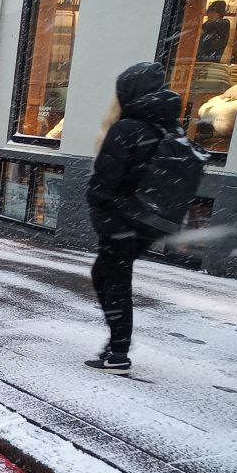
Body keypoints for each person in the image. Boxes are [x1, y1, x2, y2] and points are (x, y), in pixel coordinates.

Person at [85, 62, 183, 374]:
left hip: (121, 220)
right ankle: (117, 344)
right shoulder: (169, 127)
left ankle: (118, 353)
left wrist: (97, 201)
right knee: (106, 276)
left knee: (113, 281)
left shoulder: (127, 128)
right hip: (148, 221)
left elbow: (105, 180)